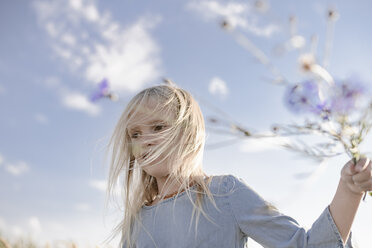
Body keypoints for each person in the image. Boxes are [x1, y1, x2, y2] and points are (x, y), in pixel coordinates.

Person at [106, 83, 372, 248]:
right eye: (135, 134)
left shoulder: (224, 194)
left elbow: (304, 246)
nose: (146, 141)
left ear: (187, 134)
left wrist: (349, 189)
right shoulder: (137, 220)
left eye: (158, 127)